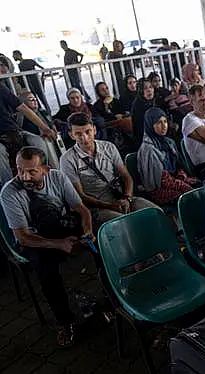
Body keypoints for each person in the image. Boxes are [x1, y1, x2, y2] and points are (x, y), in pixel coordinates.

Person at [0, 147, 95, 346]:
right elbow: (23, 237)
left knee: (99, 242)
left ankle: (108, 298)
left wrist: (87, 232)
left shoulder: (57, 178)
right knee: (45, 268)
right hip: (34, 239)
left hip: (58, 225)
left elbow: (82, 209)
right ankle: (65, 321)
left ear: (45, 169)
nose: (24, 176)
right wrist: (59, 244)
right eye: (19, 170)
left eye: (31, 171)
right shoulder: (9, 192)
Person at [59, 112, 157, 227]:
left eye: (88, 132)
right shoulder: (67, 159)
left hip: (121, 198)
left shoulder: (108, 147)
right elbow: (80, 196)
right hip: (97, 208)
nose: (84, 138)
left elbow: (126, 177)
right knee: (128, 225)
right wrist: (111, 206)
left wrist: (127, 198)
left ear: (94, 130)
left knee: (155, 212)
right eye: (78, 134)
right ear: (71, 135)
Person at [138, 108, 196, 205]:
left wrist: (182, 176)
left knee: (200, 185)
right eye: (158, 123)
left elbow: (178, 165)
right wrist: (184, 185)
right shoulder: (148, 149)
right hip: (159, 190)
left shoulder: (168, 142)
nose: (164, 126)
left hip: (174, 181)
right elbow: (162, 181)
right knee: (190, 197)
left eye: (165, 121)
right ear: (150, 125)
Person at [0, 85, 56, 183]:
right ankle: (10, 186)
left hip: (14, 131)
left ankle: (48, 178)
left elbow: (22, 107)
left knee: (39, 141)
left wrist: (45, 128)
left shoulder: (1, 88)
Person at [130, 79, 157, 147]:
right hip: (145, 141)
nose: (149, 90)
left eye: (151, 87)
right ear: (140, 91)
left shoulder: (156, 101)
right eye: (145, 88)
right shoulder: (137, 106)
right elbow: (141, 128)